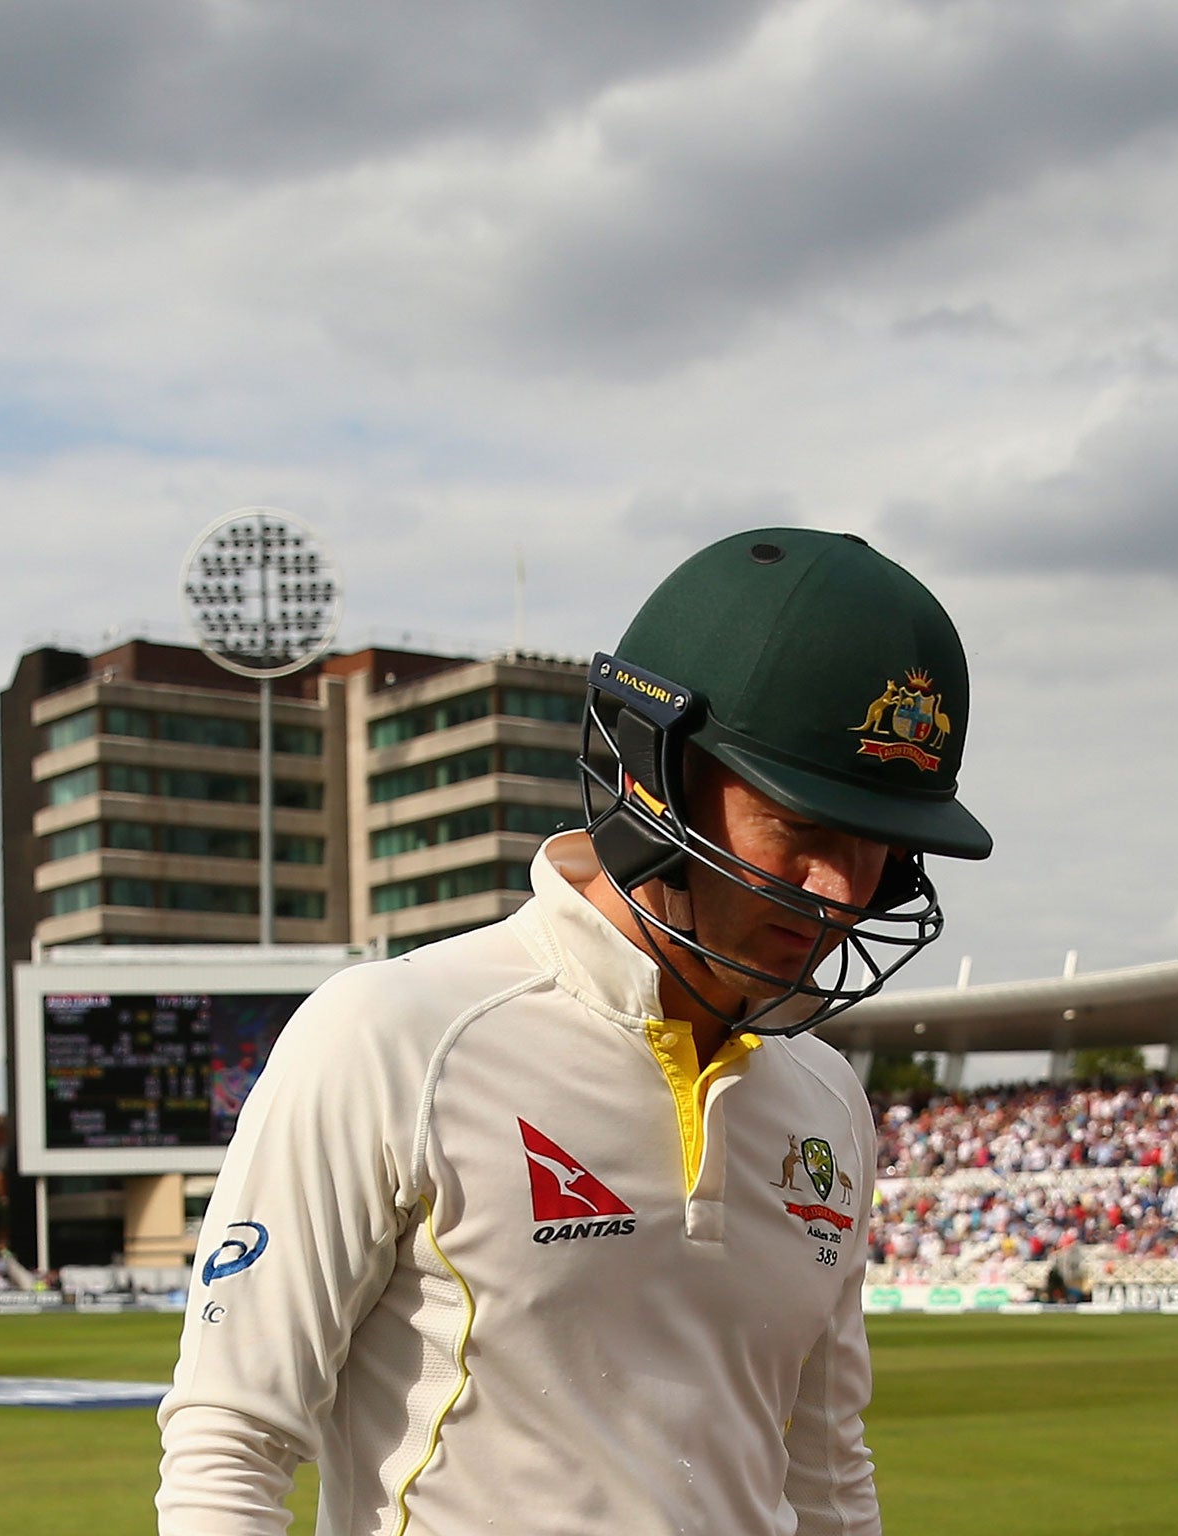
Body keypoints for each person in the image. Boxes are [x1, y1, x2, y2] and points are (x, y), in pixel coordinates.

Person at [157, 528, 991, 1535]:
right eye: (802, 827)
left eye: (884, 850)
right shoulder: (394, 1036)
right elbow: (230, 1447)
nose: (842, 894)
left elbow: (825, 1486)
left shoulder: (825, 1100)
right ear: (656, 773)